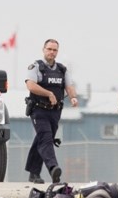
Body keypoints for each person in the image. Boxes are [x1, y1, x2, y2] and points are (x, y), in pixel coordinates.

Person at [24, 38, 79, 184]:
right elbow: (30, 85)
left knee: (42, 140)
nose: (52, 52)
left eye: (54, 50)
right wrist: (48, 93)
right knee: (46, 138)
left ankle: (33, 173)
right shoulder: (36, 67)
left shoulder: (62, 69)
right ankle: (53, 168)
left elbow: (69, 85)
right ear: (43, 50)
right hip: (38, 110)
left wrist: (73, 97)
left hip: (55, 112)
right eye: (49, 49)